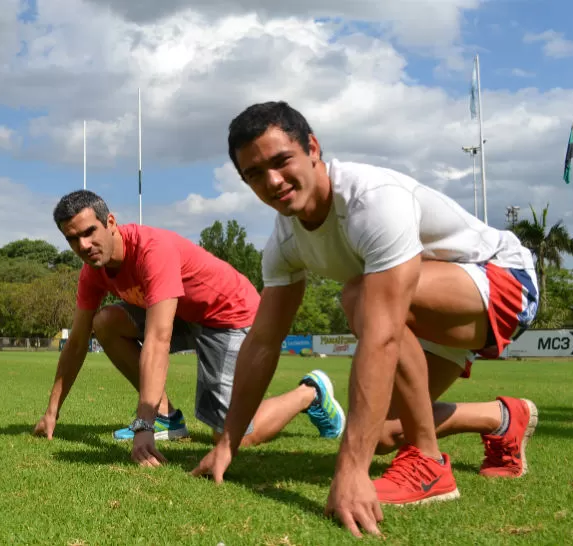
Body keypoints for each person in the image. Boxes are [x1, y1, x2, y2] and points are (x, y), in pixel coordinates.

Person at [191, 101, 539, 538]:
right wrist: (227, 443)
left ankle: (429, 465)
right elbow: (263, 342)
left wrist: (351, 470)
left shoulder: (371, 200)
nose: (273, 182)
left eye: (281, 162)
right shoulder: (284, 242)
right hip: (424, 310)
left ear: (312, 148)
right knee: (381, 432)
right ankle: (502, 418)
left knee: (359, 296)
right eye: (255, 175)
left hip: (502, 281)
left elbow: (382, 335)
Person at [33, 189, 346, 466]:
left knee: (231, 435)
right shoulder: (93, 272)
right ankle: (167, 418)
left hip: (228, 315)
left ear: (110, 222)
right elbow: (76, 342)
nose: (84, 245)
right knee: (105, 322)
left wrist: (143, 425)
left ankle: (310, 393)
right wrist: (52, 412)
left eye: (89, 232)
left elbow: (158, 339)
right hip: (184, 313)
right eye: (73, 239)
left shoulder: (151, 250)